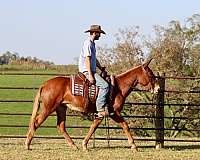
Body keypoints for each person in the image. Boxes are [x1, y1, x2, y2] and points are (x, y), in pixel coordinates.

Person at [78, 25, 109, 117]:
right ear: (95, 33)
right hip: (87, 71)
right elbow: (87, 59)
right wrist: (90, 75)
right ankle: (100, 109)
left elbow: (94, 59)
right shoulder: (88, 43)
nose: (100, 35)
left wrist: (101, 68)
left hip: (91, 70)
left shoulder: (92, 44)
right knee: (105, 86)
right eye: (99, 33)